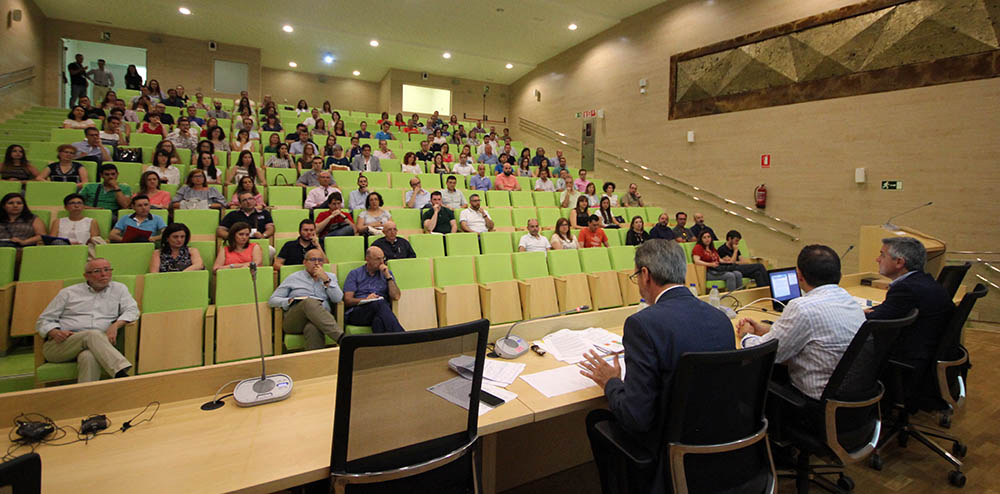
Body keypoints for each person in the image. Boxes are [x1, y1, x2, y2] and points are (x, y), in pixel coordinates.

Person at [581, 239, 735, 493]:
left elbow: (635, 418)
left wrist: (611, 382)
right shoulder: (720, 318)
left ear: (645, 275)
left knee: (596, 419)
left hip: (668, 452)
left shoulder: (642, 325)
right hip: (721, 448)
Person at [738, 245, 865, 400]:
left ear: (799, 276)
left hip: (812, 401)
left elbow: (766, 353)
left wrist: (746, 335)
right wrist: (766, 330)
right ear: (839, 273)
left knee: (750, 375)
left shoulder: (802, 307)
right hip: (850, 395)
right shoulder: (850, 301)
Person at [35, 258, 138, 383]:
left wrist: (116, 325)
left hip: (98, 346)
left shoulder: (119, 289)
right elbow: (43, 320)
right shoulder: (68, 293)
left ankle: (86, 397)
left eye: (107, 270)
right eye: (97, 271)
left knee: (88, 357)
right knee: (92, 334)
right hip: (63, 344)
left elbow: (132, 311)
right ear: (86, 276)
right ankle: (121, 374)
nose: (104, 274)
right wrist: (54, 332)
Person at [867, 237, 955, 369]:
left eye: (882, 255)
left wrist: (857, 312)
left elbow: (874, 320)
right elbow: (888, 310)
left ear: (899, 262)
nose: (877, 259)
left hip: (911, 358)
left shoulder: (906, 289)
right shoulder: (923, 280)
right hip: (931, 352)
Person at [269, 249, 344, 351]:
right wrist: (288, 301)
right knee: (309, 301)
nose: (317, 263)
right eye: (313, 260)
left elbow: (338, 299)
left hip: (319, 320)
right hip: (295, 320)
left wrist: (326, 280)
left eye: (320, 260)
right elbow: (272, 300)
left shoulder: (330, 277)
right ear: (304, 262)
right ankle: (342, 338)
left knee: (313, 328)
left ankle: (314, 364)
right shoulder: (294, 277)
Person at [343, 247, 404, 334]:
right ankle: (403, 337)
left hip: (380, 311)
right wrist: (366, 300)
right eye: (378, 259)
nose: (382, 262)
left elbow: (396, 296)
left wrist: (388, 277)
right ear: (367, 259)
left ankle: (382, 347)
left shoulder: (386, 273)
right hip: (359, 313)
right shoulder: (355, 274)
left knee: (378, 321)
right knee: (379, 303)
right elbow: (348, 300)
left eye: (383, 258)